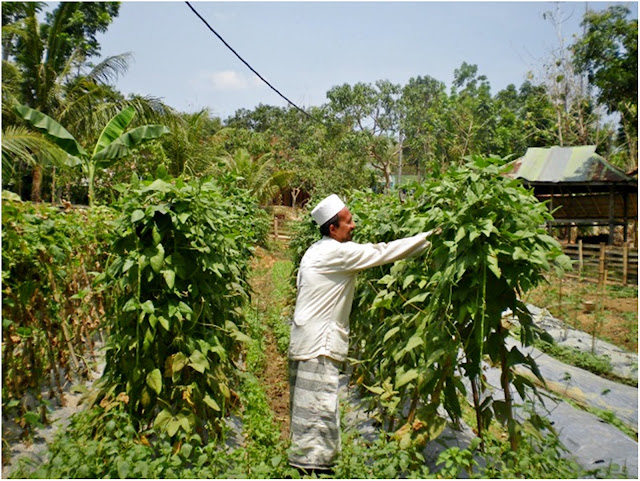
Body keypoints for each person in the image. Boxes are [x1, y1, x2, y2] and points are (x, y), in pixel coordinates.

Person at [288, 194, 438, 472]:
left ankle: (304, 468)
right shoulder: (336, 253)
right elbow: (382, 252)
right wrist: (431, 238)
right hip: (318, 347)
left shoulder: (316, 250)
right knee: (318, 415)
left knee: (308, 415)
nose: (354, 225)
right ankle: (313, 472)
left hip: (305, 342)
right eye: (349, 222)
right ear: (332, 228)